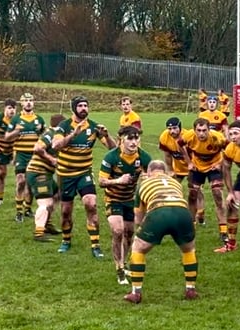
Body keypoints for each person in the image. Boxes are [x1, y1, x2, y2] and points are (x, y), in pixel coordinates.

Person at [124, 160, 198, 304]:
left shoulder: (143, 184)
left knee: (138, 248)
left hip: (159, 211)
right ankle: (191, 290)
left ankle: (136, 293)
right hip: (183, 212)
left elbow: (138, 218)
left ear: (149, 172)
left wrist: (147, 229)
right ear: (165, 172)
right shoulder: (175, 183)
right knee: (189, 250)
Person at [52, 96, 117, 258]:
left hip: (84, 173)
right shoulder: (64, 125)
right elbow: (55, 145)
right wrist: (73, 134)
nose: (83, 108)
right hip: (65, 175)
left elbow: (114, 149)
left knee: (91, 204)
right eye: (80, 106)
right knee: (66, 211)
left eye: (85, 105)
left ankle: (95, 245)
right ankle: (66, 241)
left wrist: (107, 135)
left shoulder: (94, 127)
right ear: (73, 108)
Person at [99, 126, 152, 285]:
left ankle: (125, 262)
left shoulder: (143, 157)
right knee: (118, 230)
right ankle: (119, 269)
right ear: (121, 139)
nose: (134, 142)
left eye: (136, 138)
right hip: (113, 199)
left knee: (129, 233)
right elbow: (101, 182)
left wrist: (147, 178)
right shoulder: (111, 157)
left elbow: (152, 175)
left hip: (130, 199)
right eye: (130, 138)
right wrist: (118, 180)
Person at [178, 117, 229, 242]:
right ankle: (191, 226)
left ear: (209, 130)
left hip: (214, 166)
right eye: (199, 130)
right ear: (194, 130)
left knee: (217, 193)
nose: (201, 134)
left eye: (204, 130)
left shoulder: (217, 137)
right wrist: (189, 162)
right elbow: (179, 145)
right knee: (192, 194)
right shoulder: (189, 136)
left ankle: (223, 230)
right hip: (197, 167)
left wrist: (220, 163)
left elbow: (229, 149)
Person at [5, 93, 46, 221]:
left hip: (35, 156)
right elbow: (7, 137)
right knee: (21, 181)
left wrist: (43, 131)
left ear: (34, 103)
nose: (28, 102)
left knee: (31, 184)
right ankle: (19, 212)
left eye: (30, 100)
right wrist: (16, 131)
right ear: (21, 103)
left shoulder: (39, 119)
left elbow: (46, 137)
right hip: (20, 154)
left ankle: (27, 208)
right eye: (25, 101)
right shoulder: (16, 119)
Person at [159, 117, 207, 224]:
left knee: (195, 191)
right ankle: (176, 215)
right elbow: (167, 155)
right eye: (169, 129)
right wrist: (170, 170)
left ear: (180, 127)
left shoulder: (189, 136)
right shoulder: (164, 137)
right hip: (178, 169)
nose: (172, 131)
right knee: (171, 190)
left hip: (194, 167)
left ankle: (200, 213)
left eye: (175, 128)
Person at [26, 114, 65, 241]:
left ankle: (47, 224)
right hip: (38, 172)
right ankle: (39, 233)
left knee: (57, 194)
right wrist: (52, 159)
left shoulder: (56, 135)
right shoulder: (51, 134)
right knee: (45, 202)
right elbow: (37, 148)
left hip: (45, 173)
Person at [214, 121, 240, 253]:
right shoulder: (230, 148)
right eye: (230, 134)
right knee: (232, 205)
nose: (233, 137)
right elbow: (226, 169)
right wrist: (230, 192)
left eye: (236, 133)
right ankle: (231, 244)